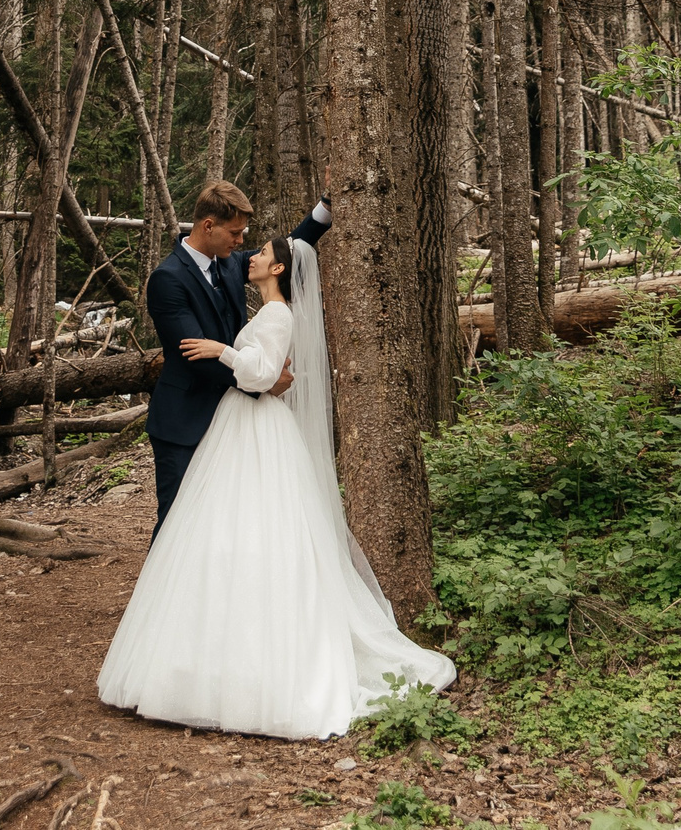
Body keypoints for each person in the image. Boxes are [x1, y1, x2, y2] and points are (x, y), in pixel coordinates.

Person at [98, 233, 456, 740]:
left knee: (250, 536)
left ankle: (248, 670)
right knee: (223, 536)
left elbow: (262, 375)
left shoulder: (278, 314)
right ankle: (206, 661)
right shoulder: (267, 309)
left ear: (280, 270)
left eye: (262, 253)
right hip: (242, 426)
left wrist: (223, 350)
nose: (252, 258)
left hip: (256, 427)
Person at [143, 181, 328, 534]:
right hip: (185, 421)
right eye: (236, 232)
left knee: (226, 522)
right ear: (207, 226)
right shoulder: (167, 279)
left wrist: (327, 204)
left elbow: (286, 252)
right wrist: (262, 380)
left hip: (234, 422)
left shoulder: (228, 263)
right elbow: (195, 353)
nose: (242, 241)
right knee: (177, 525)